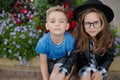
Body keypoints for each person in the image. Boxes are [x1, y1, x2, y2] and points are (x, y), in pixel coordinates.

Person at [59, 0, 115, 80]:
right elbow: (73, 56)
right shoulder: (79, 38)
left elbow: (109, 58)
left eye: (96, 23)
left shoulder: (108, 38)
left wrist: (101, 70)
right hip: (84, 66)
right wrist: (64, 70)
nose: (92, 27)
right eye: (88, 23)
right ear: (82, 24)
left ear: (103, 23)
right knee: (85, 75)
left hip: (99, 67)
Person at [35, 5, 75, 80]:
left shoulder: (70, 40)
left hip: (63, 59)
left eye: (61, 21)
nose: (57, 24)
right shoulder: (43, 42)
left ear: (67, 26)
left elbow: (72, 60)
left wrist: (67, 76)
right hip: (49, 61)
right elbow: (43, 63)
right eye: (53, 21)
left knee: (57, 74)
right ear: (47, 26)